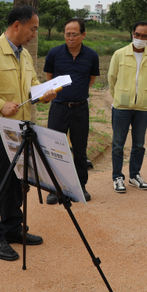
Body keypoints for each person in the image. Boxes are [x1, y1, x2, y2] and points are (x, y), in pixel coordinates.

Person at [0, 5, 57, 262]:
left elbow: (32, 84)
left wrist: (43, 93)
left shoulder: (25, 55)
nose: (35, 34)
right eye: (33, 28)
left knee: (19, 183)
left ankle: (13, 228)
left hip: (24, 128)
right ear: (18, 25)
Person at [43, 17, 100, 205]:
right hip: (58, 108)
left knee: (80, 149)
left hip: (80, 109)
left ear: (83, 35)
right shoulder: (54, 54)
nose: (70, 38)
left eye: (74, 34)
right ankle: (55, 188)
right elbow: (49, 78)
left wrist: (78, 94)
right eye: (67, 34)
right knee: (54, 150)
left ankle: (80, 187)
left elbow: (91, 79)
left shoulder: (91, 56)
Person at [108, 21, 147, 193]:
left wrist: (143, 97)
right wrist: (120, 97)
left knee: (139, 144)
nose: (140, 38)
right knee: (118, 144)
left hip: (142, 108)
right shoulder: (119, 54)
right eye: (137, 34)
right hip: (121, 106)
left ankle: (134, 175)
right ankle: (117, 177)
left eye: (144, 36)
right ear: (132, 34)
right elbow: (112, 78)